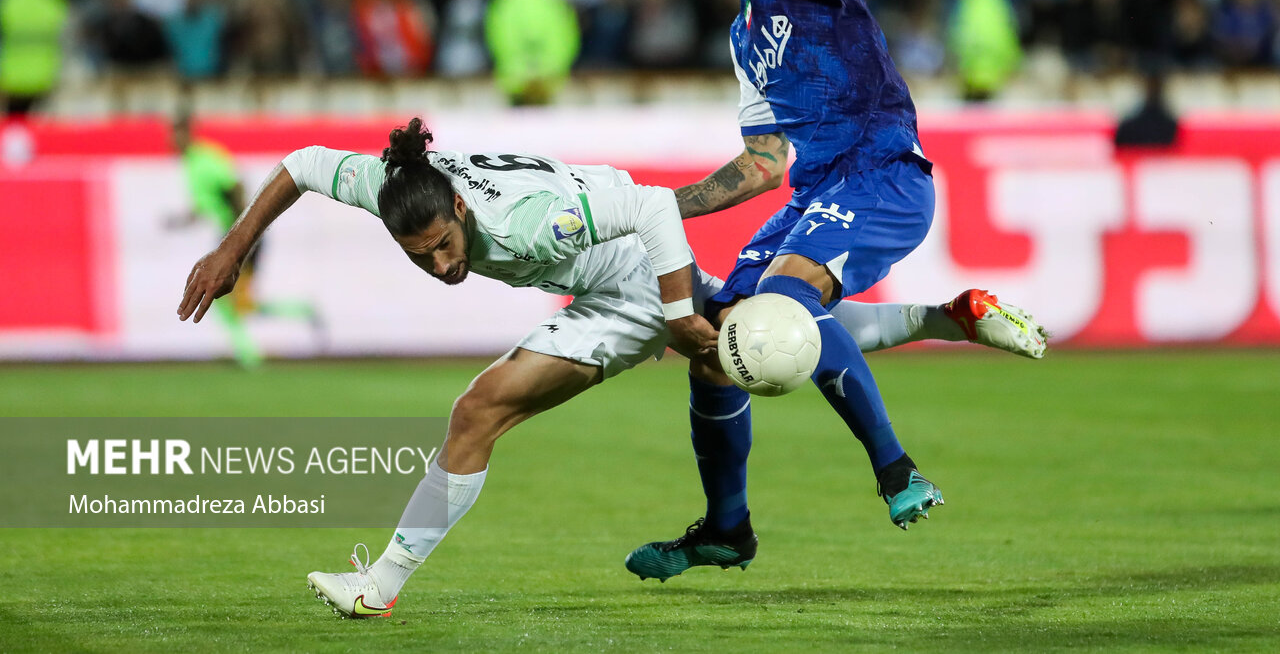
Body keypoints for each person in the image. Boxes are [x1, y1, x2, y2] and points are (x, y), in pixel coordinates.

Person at [176, 118, 1041, 618]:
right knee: (754, 335)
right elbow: (298, 167)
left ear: (461, 206)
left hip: (627, 280)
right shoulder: (393, 183)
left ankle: (380, 586)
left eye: (446, 246)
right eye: (422, 257)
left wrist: (671, 316)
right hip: (603, 284)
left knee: (481, 411)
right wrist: (230, 251)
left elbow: (653, 210)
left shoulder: (533, 219)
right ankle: (944, 317)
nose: (441, 265)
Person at [625, 0, 1048, 582]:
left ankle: (897, 470)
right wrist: (662, 206)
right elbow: (762, 164)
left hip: (882, 171)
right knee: (714, 337)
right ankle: (727, 528)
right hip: (816, 190)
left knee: (787, 299)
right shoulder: (744, 38)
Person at [169, 110, 320, 368]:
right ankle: (301, 312)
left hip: (240, 237)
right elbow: (209, 203)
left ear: (187, 132)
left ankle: (250, 359)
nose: (173, 139)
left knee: (226, 301)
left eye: (177, 132)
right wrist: (180, 221)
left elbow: (235, 187)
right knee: (240, 303)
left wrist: (242, 235)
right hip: (234, 236)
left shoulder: (205, 159)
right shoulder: (191, 164)